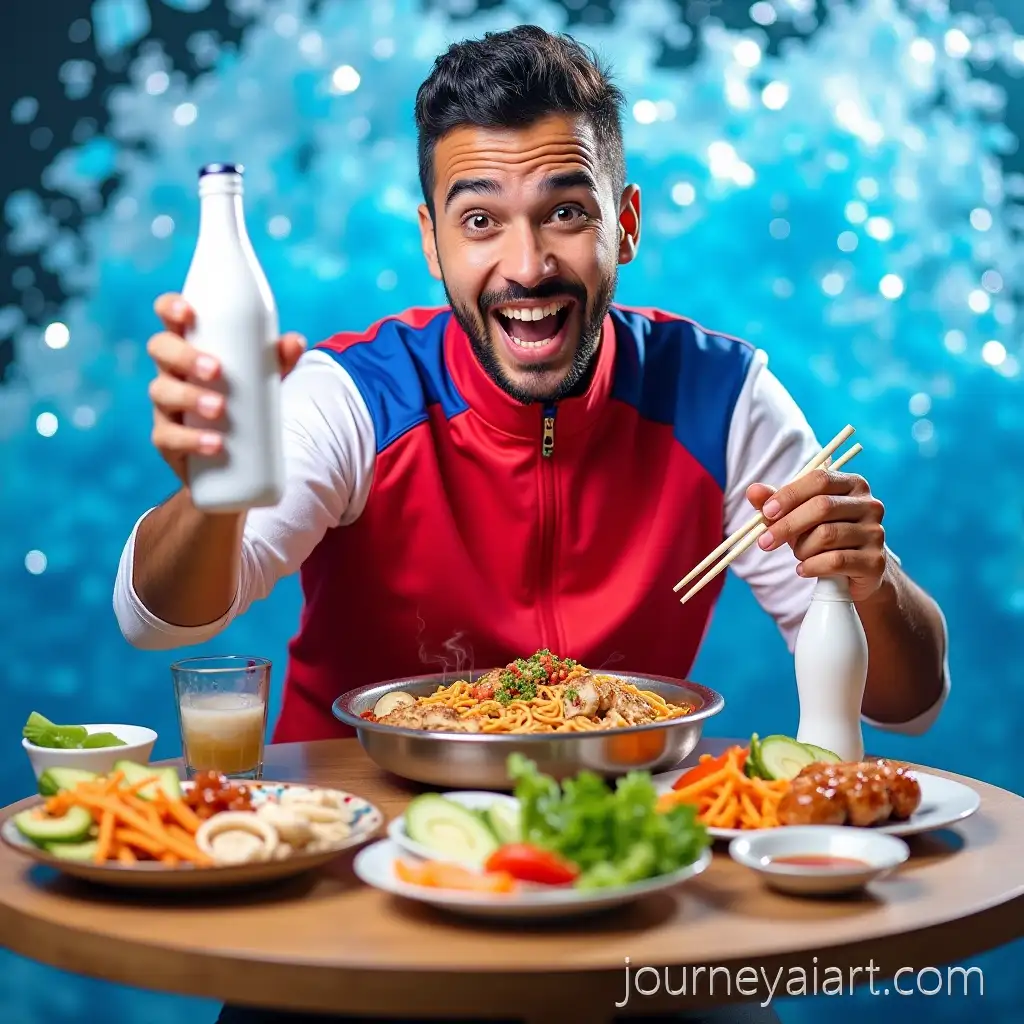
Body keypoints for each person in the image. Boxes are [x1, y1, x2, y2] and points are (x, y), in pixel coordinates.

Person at [113, 25, 949, 1024]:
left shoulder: (721, 398)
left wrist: (869, 572)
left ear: (623, 222)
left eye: (564, 212)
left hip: (625, 892)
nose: (526, 264)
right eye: (480, 222)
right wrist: (213, 493)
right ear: (430, 239)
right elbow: (160, 620)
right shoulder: (352, 398)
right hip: (350, 889)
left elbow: (911, 706)